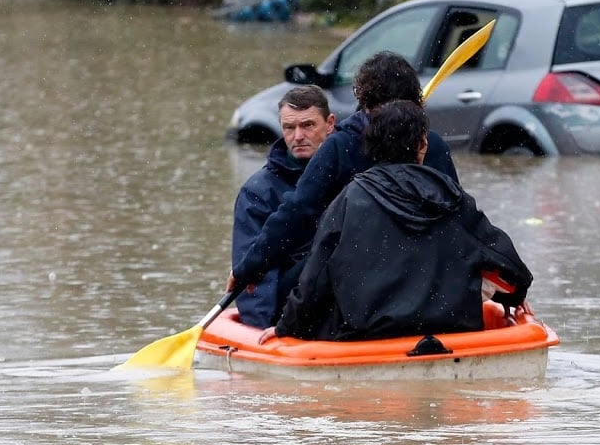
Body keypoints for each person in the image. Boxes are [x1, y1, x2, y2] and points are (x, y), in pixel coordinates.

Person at [260, 100, 532, 342]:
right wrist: (514, 297)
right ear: (422, 146)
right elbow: (511, 268)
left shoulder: (348, 200)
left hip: (367, 335)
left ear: (370, 148)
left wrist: (287, 327)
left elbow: (314, 279)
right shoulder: (454, 198)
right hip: (449, 330)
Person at [227, 50, 459, 300]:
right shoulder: (432, 144)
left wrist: (250, 267)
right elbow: (459, 217)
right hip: (422, 276)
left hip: (355, 279)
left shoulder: (340, 146)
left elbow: (297, 211)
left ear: (364, 100)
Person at [231, 85, 335, 328]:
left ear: (330, 124)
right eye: (289, 128)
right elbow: (255, 279)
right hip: (293, 309)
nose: (297, 136)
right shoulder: (257, 192)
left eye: (308, 125)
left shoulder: (351, 172)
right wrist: (264, 328)